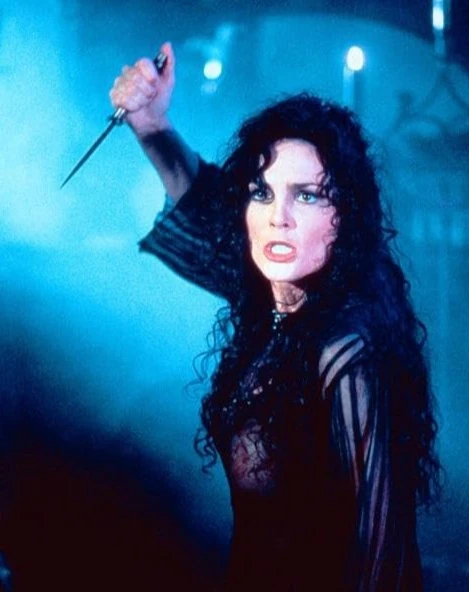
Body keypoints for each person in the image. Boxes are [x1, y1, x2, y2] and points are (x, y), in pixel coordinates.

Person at [110, 43, 441, 591]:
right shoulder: (277, 311)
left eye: (307, 196)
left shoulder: (347, 350)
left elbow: (381, 554)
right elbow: (205, 205)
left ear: (346, 218)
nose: (277, 217)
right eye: (261, 192)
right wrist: (151, 125)